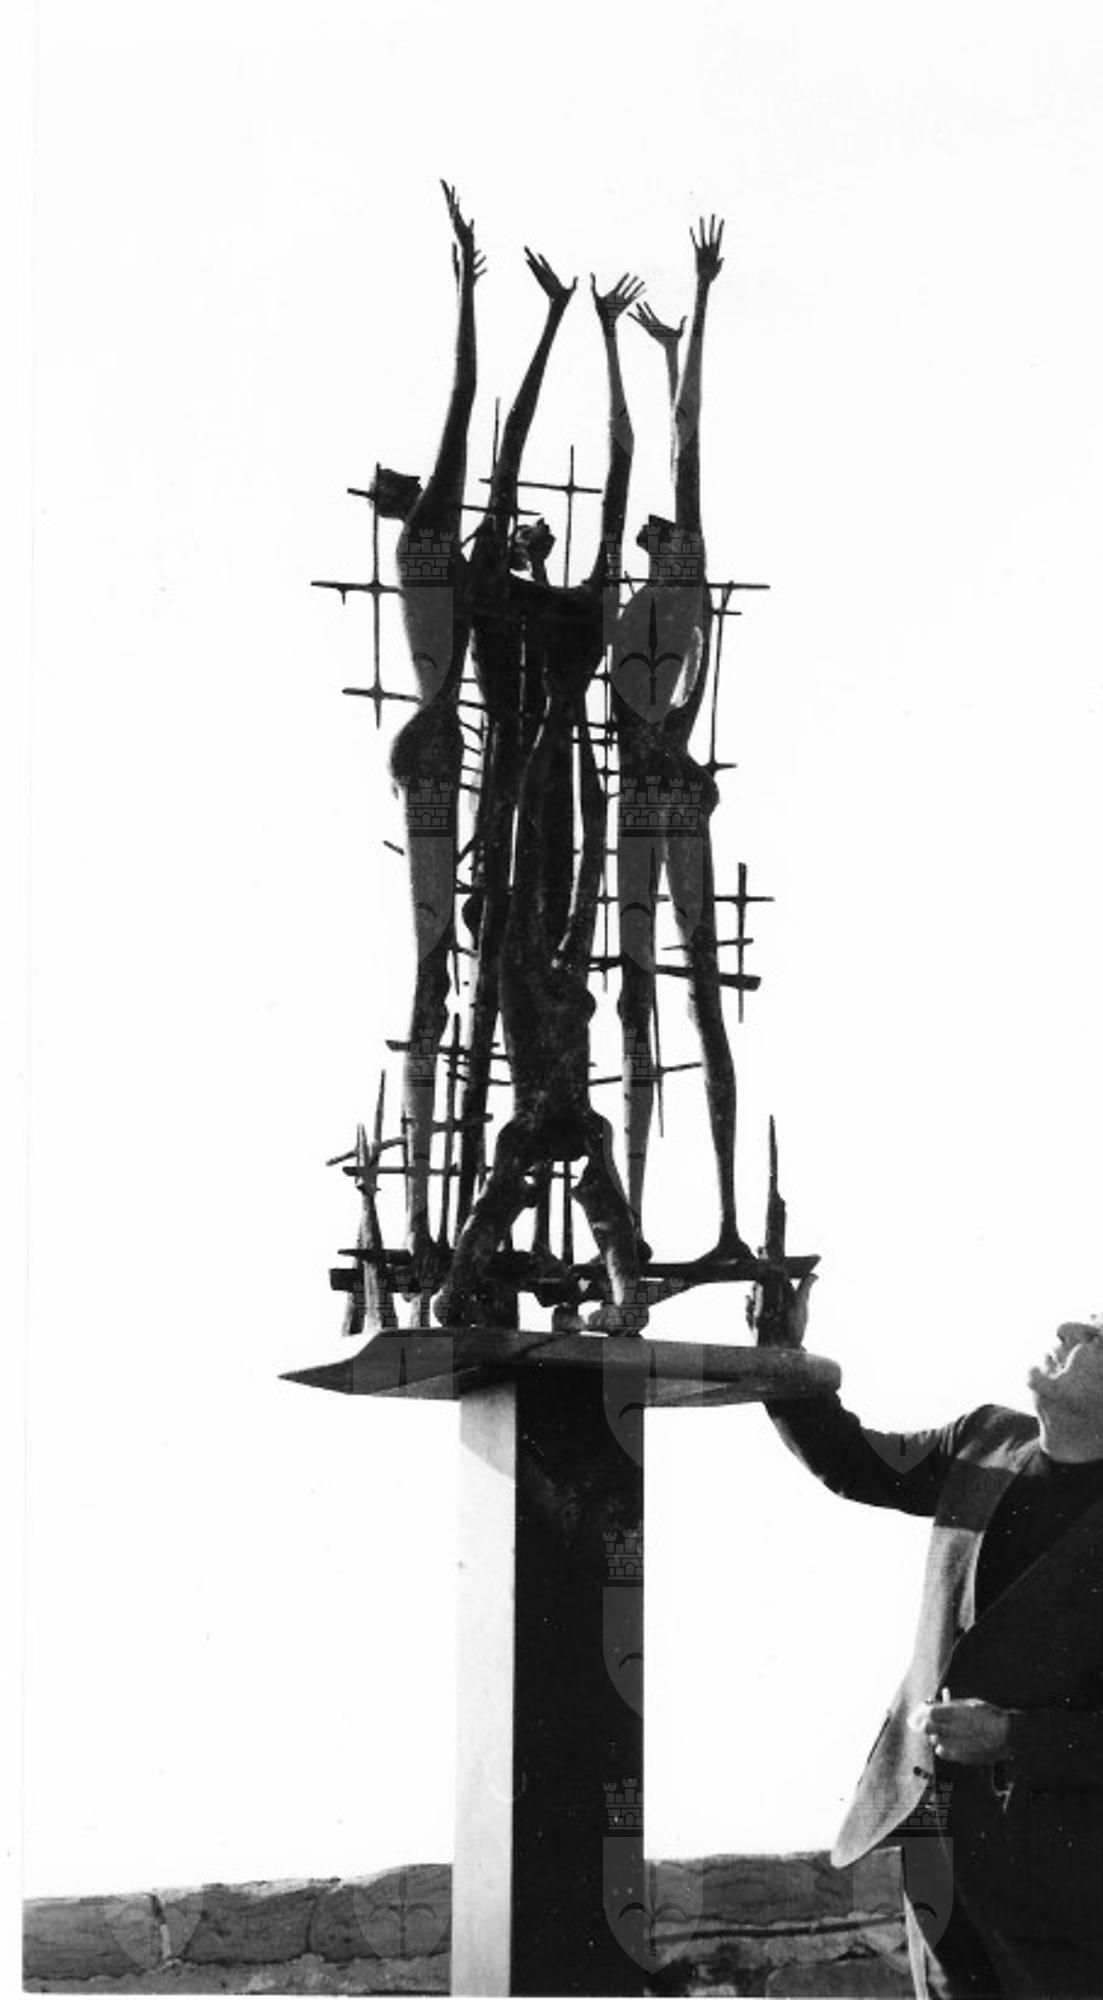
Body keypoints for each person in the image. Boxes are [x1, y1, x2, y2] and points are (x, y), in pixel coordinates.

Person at [755, 1288, 1103, 1999]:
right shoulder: (984, 1439)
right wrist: (779, 1351)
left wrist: (1010, 1735)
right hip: (933, 1842)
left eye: (1099, 1337)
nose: (1067, 1326)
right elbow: (852, 1462)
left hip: (1060, 1876)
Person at [432, 269, 648, 1331]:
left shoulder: (583, 601)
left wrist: (600, 337)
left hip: (562, 806)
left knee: (551, 980)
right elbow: (503, 457)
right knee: (523, 971)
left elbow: (617, 478)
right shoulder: (488, 594)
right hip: (515, 807)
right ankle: (519, 1276)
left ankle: (568, 1278)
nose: (529, 536)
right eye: (513, 530)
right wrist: (550, 322)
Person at [610, 217, 748, 1263]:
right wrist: (660, 348)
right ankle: (639, 1219)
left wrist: (694, 314)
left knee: (696, 993)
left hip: (667, 795)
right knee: (638, 996)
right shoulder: (642, 617)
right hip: (644, 799)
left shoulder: (679, 599)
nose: (669, 544)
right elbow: (668, 452)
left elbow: (685, 445)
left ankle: (726, 1219)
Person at [366, 180, 483, 1288]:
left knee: (435, 958)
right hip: (434, 750)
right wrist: (468, 289)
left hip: (431, 748)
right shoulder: (427, 543)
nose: (397, 480)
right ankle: (415, 1200)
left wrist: (469, 287)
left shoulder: (430, 542)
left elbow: (464, 404)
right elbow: (464, 400)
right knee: (436, 957)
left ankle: (418, 1196)